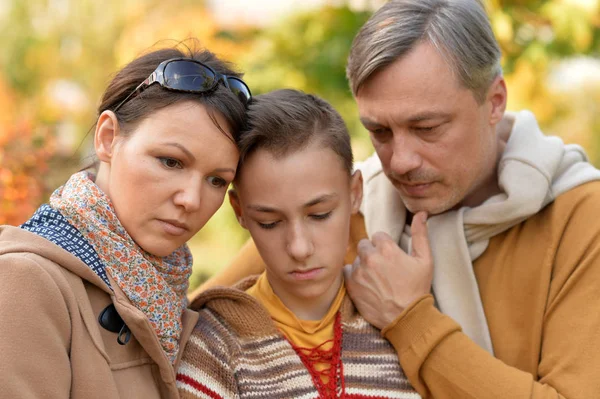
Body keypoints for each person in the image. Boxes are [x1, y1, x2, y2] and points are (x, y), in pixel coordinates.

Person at [192, 1, 600, 398]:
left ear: (494, 101)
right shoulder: (338, 208)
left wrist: (410, 321)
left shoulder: (582, 219)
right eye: (380, 132)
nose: (399, 163)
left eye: (426, 128)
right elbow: (184, 328)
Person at [0, 44, 251, 399]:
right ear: (107, 138)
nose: (191, 200)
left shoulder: (166, 295)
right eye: (170, 161)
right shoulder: (26, 282)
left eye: (216, 180)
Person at [176, 89, 421, 399]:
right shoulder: (213, 347)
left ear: (356, 192)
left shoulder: (399, 322)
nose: (299, 248)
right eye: (270, 222)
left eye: (319, 215)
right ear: (240, 211)